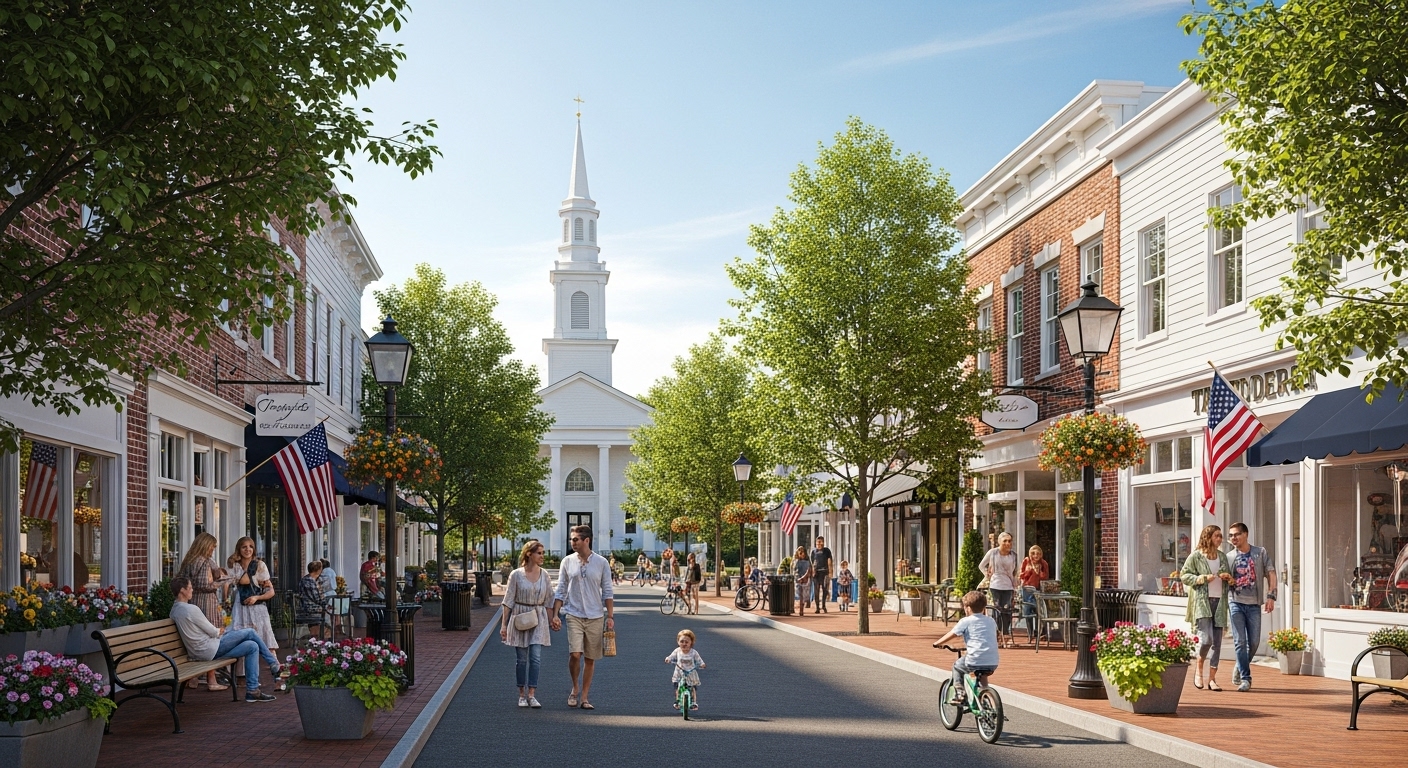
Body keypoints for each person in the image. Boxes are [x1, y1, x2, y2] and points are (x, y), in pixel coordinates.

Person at [169, 575, 279, 703]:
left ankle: (253, 691)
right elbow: (213, 631)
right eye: (190, 588)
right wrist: (220, 630)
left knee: (252, 646)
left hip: (203, 649)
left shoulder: (174, 610)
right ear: (182, 590)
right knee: (250, 632)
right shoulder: (190, 609)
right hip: (209, 648)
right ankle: (274, 664)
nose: (192, 590)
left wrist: (219, 632)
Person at [549, 525, 614, 710]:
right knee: (575, 654)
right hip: (574, 613)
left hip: (595, 615)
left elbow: (608, 590)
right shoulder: (567, 561)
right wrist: (555, 614)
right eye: (571, 539)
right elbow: (561, 589)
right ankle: (575, 687)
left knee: (590, 658)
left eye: (576, 539)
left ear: (587, 540)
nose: (573, 542)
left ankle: (584, 696)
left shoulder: (601, 563)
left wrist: (610, 616)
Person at [175, 532, 230, 690]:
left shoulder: (190, 560)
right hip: (205, 602)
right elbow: (205, 584)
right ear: (206, 545)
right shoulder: (202, 561)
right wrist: (222, 582)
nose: (213, 550)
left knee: (199, 638)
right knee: (210, 638)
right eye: (212, 547)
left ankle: (194, 678)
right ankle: (211, 680)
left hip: (193, 601)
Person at [501, 539, 552, 709]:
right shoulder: (516, 574)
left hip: (538, 617)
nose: (542, 556)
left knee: (535, 658)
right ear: (529, 554)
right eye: (539, 553)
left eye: (543, 553)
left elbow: (549, 600)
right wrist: (503, 625)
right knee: (522, 659)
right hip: (520, 617)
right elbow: (508, 600)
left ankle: (532, 694)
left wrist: (553, 620)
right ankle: (521, 694)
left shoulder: (544, 575)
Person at [1181, 524, 1233, 691]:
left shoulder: (1222, 557)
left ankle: (1212, 679)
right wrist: (1202, 578)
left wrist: (1227, 577)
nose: (1220, 539)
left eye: (1220, 536)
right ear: (1208, 536)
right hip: (1202, 602)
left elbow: (1227, 575)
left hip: (1220, 603)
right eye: (1217, 536)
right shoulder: (1196, 556)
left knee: (1217, 643)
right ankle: (1199, 666)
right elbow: (1184, 575)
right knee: (1206, 640)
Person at [1226, 522, 1276, 692]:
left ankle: (1240, 666)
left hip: (1254, 604)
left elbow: (1271, 573)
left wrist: (1271, 596)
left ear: (1246, 534)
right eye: (1231, 535)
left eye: (1236, 534)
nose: (1233, 538)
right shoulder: (1229, 557)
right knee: (1240, 641)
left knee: (1253, 642)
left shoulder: (1259, 553)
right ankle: (1246, 678)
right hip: (1235, 603)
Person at [932, 591, 1000, 704]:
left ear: (967, 608)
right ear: (984, 608)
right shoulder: (991, 621)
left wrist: (938, 643)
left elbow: (953, 633)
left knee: (958, 667)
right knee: (982, 677)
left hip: (975, 659)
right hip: (993, 660)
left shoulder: (966, 621)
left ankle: (959, 693)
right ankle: (992, 705)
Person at [228, 536, 277, 651]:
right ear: (239, 549)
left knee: (267, 641)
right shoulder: (235, 566)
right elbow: (237, 581)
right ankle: (240, 669)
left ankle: (275, 666)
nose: (247, 549)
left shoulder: (260, 565)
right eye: (244, 547)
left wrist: (256, 597)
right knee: (241, 642)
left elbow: (271, 591)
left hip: (258, 607)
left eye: (250, 547)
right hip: (241, 606)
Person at [979, 532, 1019, 640]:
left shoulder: (1014, 555)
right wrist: (987, 574)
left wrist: (1016, 583)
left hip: (1008, 586)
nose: (1007, 543)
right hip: (995, 584)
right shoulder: (993, 553)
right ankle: (996, 633)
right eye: (1005, 541)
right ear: (999, 542)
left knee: (1007, 610)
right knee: (996, 609)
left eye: (1009, 541)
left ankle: (1005, 633)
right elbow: (981, 565)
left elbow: (1015, 571)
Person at [665, 628, 706, 711]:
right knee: (677, 687)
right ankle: (677, 701)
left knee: (693, 688)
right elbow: (671, 656)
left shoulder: (694, 652)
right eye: (682, 641)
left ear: (691, 643)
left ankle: (694, 702)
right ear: (678, 642)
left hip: (691, 672)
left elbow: (699, 660)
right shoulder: (677, 651)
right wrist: (668, 659)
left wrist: (702, 664)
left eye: (686, 642)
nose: (684, 644)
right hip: (679, 672)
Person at [1019, 544, 1049, 639]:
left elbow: (1045, 577)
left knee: (1038, 611)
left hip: (1038, 589)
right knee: (1027, 611)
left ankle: (1039, 632)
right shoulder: (1026, 561)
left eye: (1038, 554)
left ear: (1041, 555)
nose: (1035, 556)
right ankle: (1030, 633)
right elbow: (1021, 575)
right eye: (1033, 553)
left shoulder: (1044, 563)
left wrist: (1039, 572)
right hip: (1027, 589)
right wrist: (1029, 571)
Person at [296, 560, 331, 641]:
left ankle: (315, 636)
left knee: (328, 610)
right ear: (318, 570)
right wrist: (327, 605)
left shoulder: (305, 579)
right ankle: (326, 639)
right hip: (310, 609)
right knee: (329, 613)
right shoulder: (311, 582)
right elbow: (318, 599)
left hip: (305, 607)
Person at [810, 536, 834, 614]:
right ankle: (817, 607)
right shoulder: (813, 551)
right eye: (818, 542)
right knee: (816, 590)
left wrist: (830, 572)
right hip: (816, 573)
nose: (819, 543)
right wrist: (812, 572)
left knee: (825, 590)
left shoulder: (827, 551)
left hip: (825, 572)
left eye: (821, 542)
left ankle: (823, 605)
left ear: (823, 542)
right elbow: (812, 562)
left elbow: (829, 561)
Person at [792, 546, 811, 614]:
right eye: (801, 553)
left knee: (804, 594)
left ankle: (802, 607)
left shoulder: (807, 561)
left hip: (805, 580)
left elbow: (809, 570)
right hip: (798, 579)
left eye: (804, 554)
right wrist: (797, 578)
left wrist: (805, 577)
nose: (802, 555)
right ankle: (801, 609)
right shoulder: (796, 561)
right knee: (800, 594)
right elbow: (794, 571)